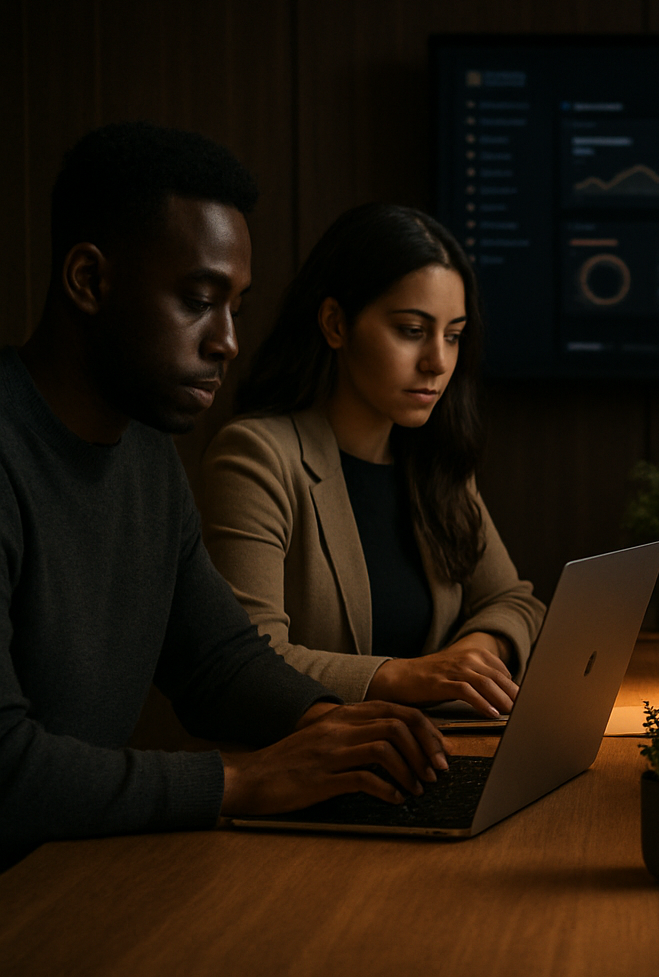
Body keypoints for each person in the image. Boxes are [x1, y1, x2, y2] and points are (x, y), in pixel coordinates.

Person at [0, 123, 451, 871]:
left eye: (237, 306)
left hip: (66, 878)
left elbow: (216, 663)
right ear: (88, 280)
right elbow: (7, 770)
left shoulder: (146, 451)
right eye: (198, 301)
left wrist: (340, 729)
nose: (227, 341)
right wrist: (241, 780)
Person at [199, 203, 545, 718]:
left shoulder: (433, 460)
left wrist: (473, 656)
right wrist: (410, 676)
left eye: (453, 335)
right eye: (411, 330)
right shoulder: (256, 457)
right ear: (336, 323)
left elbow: (515, 600)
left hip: (430, 752)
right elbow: (250, 661)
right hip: (312, 767)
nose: (438, 362)